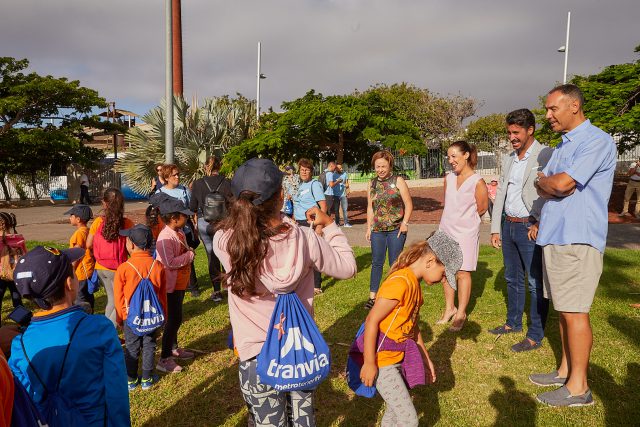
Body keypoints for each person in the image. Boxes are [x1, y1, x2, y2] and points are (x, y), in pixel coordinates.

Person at [212, 158, 357, 427]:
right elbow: (348, 267)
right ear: (281, 196)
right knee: (302, 419)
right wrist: (331, 227)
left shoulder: (225, 242)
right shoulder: (304, 238)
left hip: (255, 356)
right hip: (298, 353)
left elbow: (237, 230)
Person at [531, 84, 617, 407]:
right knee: (564, 310)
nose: (548, 115)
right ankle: (565, 371)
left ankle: (579, 388)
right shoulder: (563, 146)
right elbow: (545, 186)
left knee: (576, 312)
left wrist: (549, 182)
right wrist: (547, 182)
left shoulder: (596, 141)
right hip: (555, 235)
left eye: (553, 109)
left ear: (575, 106)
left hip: (578, 238)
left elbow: (563, 184)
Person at [8, 246, 130, 426]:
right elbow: (116, 392)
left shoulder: (19, 345)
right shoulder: (99, 328)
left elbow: (25, 401)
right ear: (69, 283)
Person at [360, 231, 462, 427]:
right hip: (382, 361)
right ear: (430, 261)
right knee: (409, 420)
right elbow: (372, 320)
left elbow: (413, 329)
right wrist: (369, 363)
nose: (443, 280)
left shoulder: (415, 286)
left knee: (395, 410)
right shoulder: (400, 283)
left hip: (396, 358)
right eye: (443, 273)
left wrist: (426, 358)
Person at [488, 109, 553, 352]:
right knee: (512, 278)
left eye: (516, 132)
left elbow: (552, 194)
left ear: (530, 130)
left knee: (535, 283)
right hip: (509, 225)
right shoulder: (508, 158)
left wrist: (539, 223)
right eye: (509, 133)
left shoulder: (545, 154)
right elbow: (502, 193)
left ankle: (535, 334)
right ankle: (512, 323)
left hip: (530, 226)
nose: (512, 137)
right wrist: (496, 228)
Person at [437, 141, 488, 331]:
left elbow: (482, 208)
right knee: (446, 271)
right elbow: (448, 203)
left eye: (454, 156)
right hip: (446, 229)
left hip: (466, 232)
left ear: (466, 155)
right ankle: (450, 308)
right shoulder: (448, 178)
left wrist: (467, 222)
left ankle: (461, 313)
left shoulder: (477, 181)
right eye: (448, 157)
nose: (450, 161)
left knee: (463, 272)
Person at [114, 225, 167, 391]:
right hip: (152, 316)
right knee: (149, 345)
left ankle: (130, 380)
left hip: (131, 317)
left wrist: (120, 318)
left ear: (130, 245)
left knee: (131, 346)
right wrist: (163, 315)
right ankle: (147, 378)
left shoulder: (123, 268)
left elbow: (118, 297)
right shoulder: (157, 266)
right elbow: (162, 294)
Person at [366, 150, 413, 310]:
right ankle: (373, 296)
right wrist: (368, 227)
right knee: (377, 262)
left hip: (396, 229)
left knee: (395, 262)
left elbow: (408, 203)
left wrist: (405, 222)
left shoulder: (397, 180)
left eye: (383, 166)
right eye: (377, 166)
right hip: (378, 229)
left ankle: (394, 294)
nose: (380, 169)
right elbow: (370, 207)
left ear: (390, 165)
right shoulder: (372, 183)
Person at [155, 197, 196, 373]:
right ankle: (164, 358)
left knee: (177, 317)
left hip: (179, 283)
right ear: (173, 218)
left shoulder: (178, 233)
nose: (186, 218)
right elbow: (169, 262)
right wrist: (190, 256)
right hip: (170, 286)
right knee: (173, 319)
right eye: (183, 216)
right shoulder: (164, 237)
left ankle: (173, 347)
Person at [87, 188, 134, 328]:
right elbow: (130, 247)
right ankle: (109, 334)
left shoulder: (98, 222)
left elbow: (88, 244)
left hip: (100, 267)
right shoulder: (127, 223)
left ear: (104, 203)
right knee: (120, 302)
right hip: (118, 268)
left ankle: (105, 331)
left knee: (111, 300)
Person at [189, 156, 232, 302]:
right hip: (224, 223)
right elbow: (233, 204)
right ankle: (229, 285)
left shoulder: (198, 184)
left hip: (204, 222)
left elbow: (192, 207)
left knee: (211, 255)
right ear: (219, 167)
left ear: (205, 167)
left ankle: (216, 292)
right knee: (227, 253)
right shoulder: (227, 183)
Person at [159, 164, 199, 297]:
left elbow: (192, 208)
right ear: (166, 177)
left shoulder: (184, 190)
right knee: (172, 258)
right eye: (174, 175)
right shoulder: (160, 193)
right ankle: (172, 285)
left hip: (184, 230)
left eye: (178, 174)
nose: (177, 177)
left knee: (187, 255)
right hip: (169, 231)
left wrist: (195, 224)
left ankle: (193, 286)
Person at [292, 158, 327, 294]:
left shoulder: (315, 184)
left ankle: (316, 285)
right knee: (303, 255)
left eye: (306, 170)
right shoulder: (301, 186)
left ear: (311, 171)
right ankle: (304, 283)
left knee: (314, 254)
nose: (304, 172)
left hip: (311, 223)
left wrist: (319, 226)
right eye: (302, 170)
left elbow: (323, 206)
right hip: (299, 223)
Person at [64, 204, 96, 312]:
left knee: (80, 298)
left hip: (80, 273)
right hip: (89, 271)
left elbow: (76, 255)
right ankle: (91, 314)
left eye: (71, 215)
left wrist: (70, 270)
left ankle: (83, 318)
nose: (70, 217)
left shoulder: (79, 234)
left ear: (78, 219)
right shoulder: (89, 231)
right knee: (88, 296)